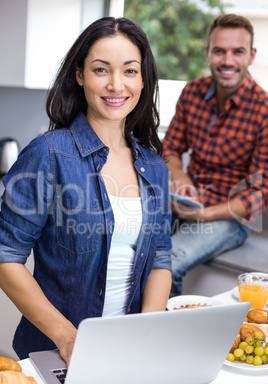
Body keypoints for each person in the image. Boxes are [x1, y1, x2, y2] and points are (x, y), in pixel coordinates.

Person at [0, 17, 172, 364]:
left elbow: (160, 259)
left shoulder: (154, 166)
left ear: (142, 80)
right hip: (55, 352)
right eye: (100, 70)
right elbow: (6, 256)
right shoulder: (49, 154)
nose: (115, 84)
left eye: (129, 71)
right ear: (80, 75)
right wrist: (67, 338)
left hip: (126, 353)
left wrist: (148, 332)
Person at [162, 14, 268, 297]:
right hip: (187, 202)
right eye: (219, 51)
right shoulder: (192, 92)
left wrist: (205, 214)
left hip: (228, 216)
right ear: (208, 53)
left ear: (251, 55)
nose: (227, 61)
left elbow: (260, 193)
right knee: (130, 250)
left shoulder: (263, 110)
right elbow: (170, 148)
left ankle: (168, 340)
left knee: (167, 265)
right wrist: (181, 176)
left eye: (238, 52)